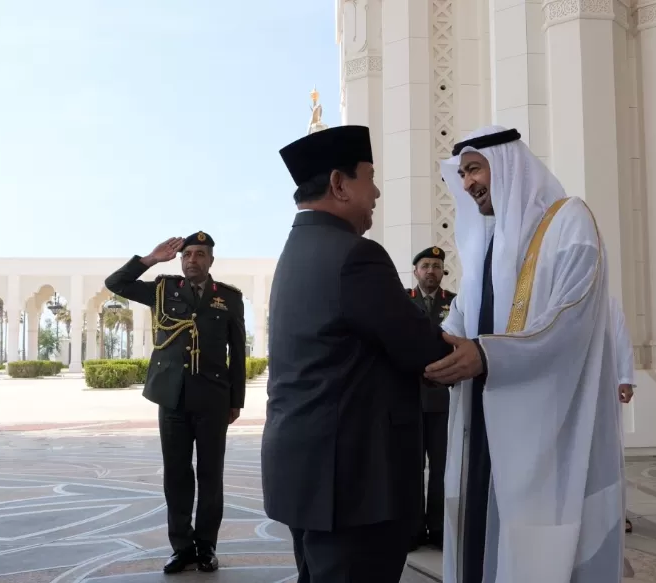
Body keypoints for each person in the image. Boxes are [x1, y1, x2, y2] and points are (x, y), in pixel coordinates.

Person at [424, 126, 625, 582]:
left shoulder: (568, 221)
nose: (468, 183)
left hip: (543, 421)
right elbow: (458, 318)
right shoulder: (486, 244)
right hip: (483, 413)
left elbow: (570, 319)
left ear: (509, 165)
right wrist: (427, 354)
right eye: (462, 173)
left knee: (539, 545)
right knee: (480, 533)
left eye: (475, 169)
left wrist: (488, 357)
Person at [261, 125, 457, 583]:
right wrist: (484, 350)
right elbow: (420, 346)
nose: (377, 191)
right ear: (338, 184)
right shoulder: (356, 255)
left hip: (310, 472)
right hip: (353, 481)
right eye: (369, 176)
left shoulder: (297, 249)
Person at [105, 232, 247, 574]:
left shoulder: (227, 298)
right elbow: (116, 283)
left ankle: (206, 547)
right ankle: (181, 547)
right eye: (187, 255)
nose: (192, 260)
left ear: (211, 260)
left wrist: (235, 400)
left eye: (199, 254)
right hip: (172, 398)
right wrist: (151, 259)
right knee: (177, 475)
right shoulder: (163, 290)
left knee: (211, 476)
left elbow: (238, 352)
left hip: (213, 399)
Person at [407, 246, 457, 551]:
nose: (431, 271)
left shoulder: (454, 303)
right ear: (416, 271)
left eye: (436, 266)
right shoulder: (402, 301)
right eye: (425, 265)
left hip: (442, 397)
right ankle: (412, 529)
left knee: (441, 466)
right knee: (411, 466)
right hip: (409, 396)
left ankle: (438, 528)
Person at [609, 296, 635, 534]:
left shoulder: (608, 301)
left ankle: (617, 512)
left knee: (610, 453)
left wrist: (625, 379)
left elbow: (621, 339)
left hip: (603, 390)